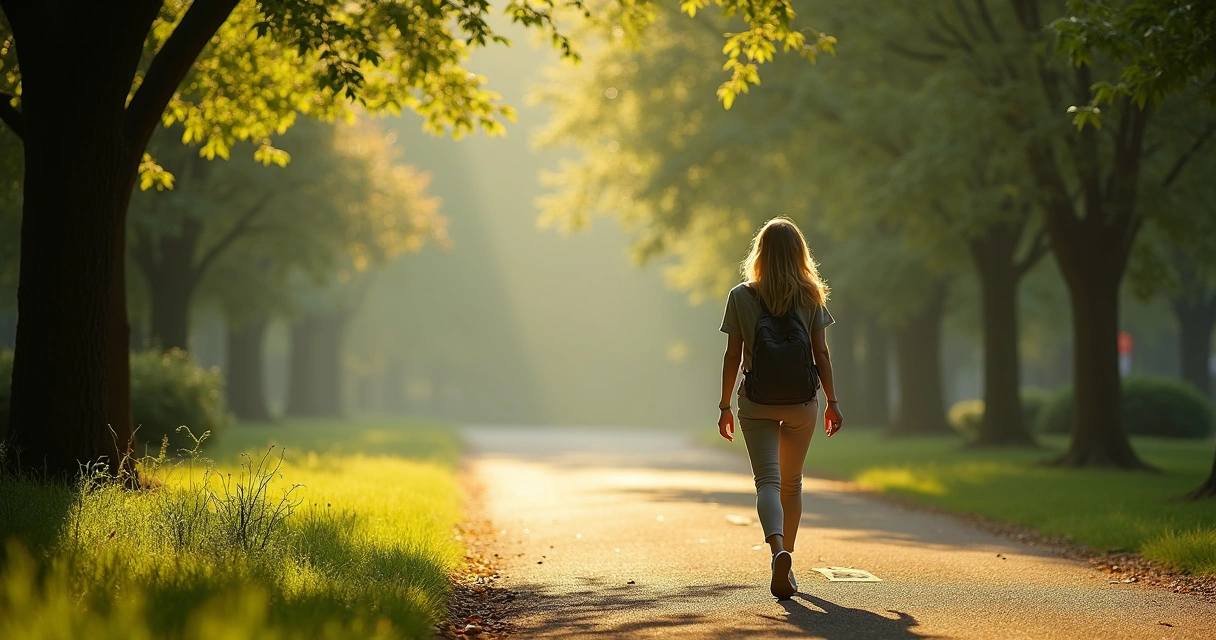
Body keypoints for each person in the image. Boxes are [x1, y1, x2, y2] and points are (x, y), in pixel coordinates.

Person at [717, 216, 842, 600]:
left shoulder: (741, 295)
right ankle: (789, 555)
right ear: (798, 254)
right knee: (792, 483)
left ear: (760, 253)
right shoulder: (811, 295)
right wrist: (832, 402)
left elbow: (733, 355)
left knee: (767, 483)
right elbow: (821, 353)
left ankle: (777, 553)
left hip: (757, 401)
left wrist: (724, 405)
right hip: (802, 402)